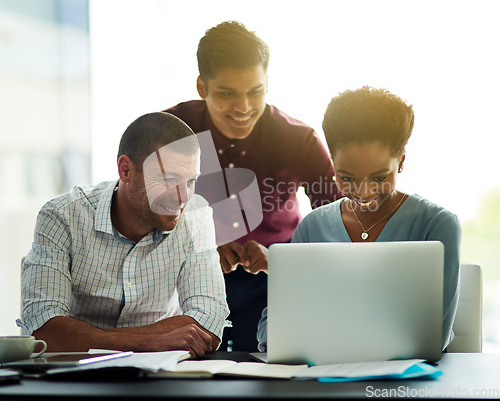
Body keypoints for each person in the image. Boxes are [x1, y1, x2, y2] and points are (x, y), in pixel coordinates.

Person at [164, 21, 342, 352]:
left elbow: (341, 225)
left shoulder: (298, 140)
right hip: (184, 287)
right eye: (227, 94)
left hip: (277, 289)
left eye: (255, 91)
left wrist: (282, 259)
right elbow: (138, 223)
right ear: (202, 87)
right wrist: (199, 252)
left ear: (267, 83)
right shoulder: (170, 133)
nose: (243, 108)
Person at [257, 86, 460, 352]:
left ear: (400, 161)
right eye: (347, 178)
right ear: (332, 162)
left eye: (379, 177)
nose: (363, 193)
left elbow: (433, 336)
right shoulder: (312, 226)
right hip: (321, 380)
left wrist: (319, 328)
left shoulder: (436, 224)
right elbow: (270, 329)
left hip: (405, 386)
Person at [18, 112, 229, 358]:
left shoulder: (197, 215)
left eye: (191, 181)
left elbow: (208, 320)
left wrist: (99, 339)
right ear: (126, 170)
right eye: (169, 179)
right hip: (74, 374)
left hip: (160, 374)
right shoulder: (62, 216)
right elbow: (45, 330)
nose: (182, 197)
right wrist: (149, 342)